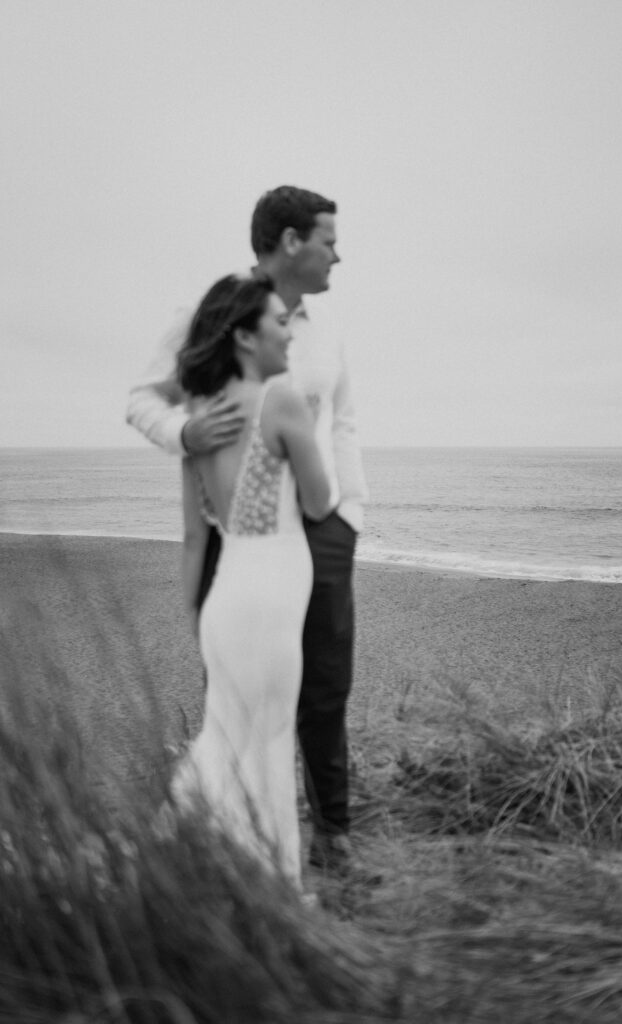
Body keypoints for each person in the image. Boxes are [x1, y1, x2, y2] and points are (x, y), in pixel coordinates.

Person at [127, 187, 368, 875]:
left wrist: (348, 516)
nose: (336, 255)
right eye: (328, 240)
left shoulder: (323, 335)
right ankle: (241, 846)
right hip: (243, 542)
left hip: (320, 532)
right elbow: (142, 399)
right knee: (241, 694)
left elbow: (342, 423)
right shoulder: (210, 315)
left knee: (325, 683)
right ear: (291, 242)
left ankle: (333, 834)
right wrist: (184, 430)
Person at [171, 272, 332, 889]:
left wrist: (196, 618)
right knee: (267, 749)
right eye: (278, 322)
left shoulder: (200, 418)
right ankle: (276, 894)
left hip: (224, 601)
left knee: (224, 744)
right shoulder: (282, 401)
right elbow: (318, 504)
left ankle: (205, 876)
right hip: (269, 597)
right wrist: (310, 433)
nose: (289, 334)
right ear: (244, 335)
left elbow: (193, 538)